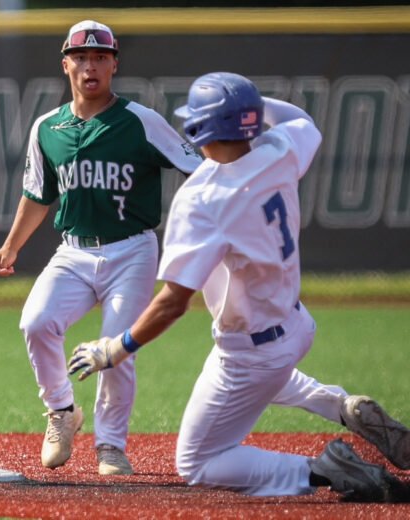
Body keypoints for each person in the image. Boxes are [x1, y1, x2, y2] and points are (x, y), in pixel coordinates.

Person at [68, 72, 410, 500]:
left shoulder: (203, 197)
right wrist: (249, 105)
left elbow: (173, 302)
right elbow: (302, 120)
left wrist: (117, 348)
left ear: (199, 128)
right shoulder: (280, 148)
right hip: (295, 324)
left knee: (197, 462)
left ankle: (324, 470)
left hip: (250, 351)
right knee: (265, 376)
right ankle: (340, 406)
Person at [0, 20, 202, 476]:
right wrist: (11, 245)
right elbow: (38, 195)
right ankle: (61, 411)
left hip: (132, 249)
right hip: (73, 251)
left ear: (114, 65)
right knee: (36, 322)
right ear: (65, 65)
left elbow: (197, 168)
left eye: (100, 58)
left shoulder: (141, 120)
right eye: (81, 57)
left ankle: (110, 446)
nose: (91, 66)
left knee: (118, 346)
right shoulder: (47, 128)